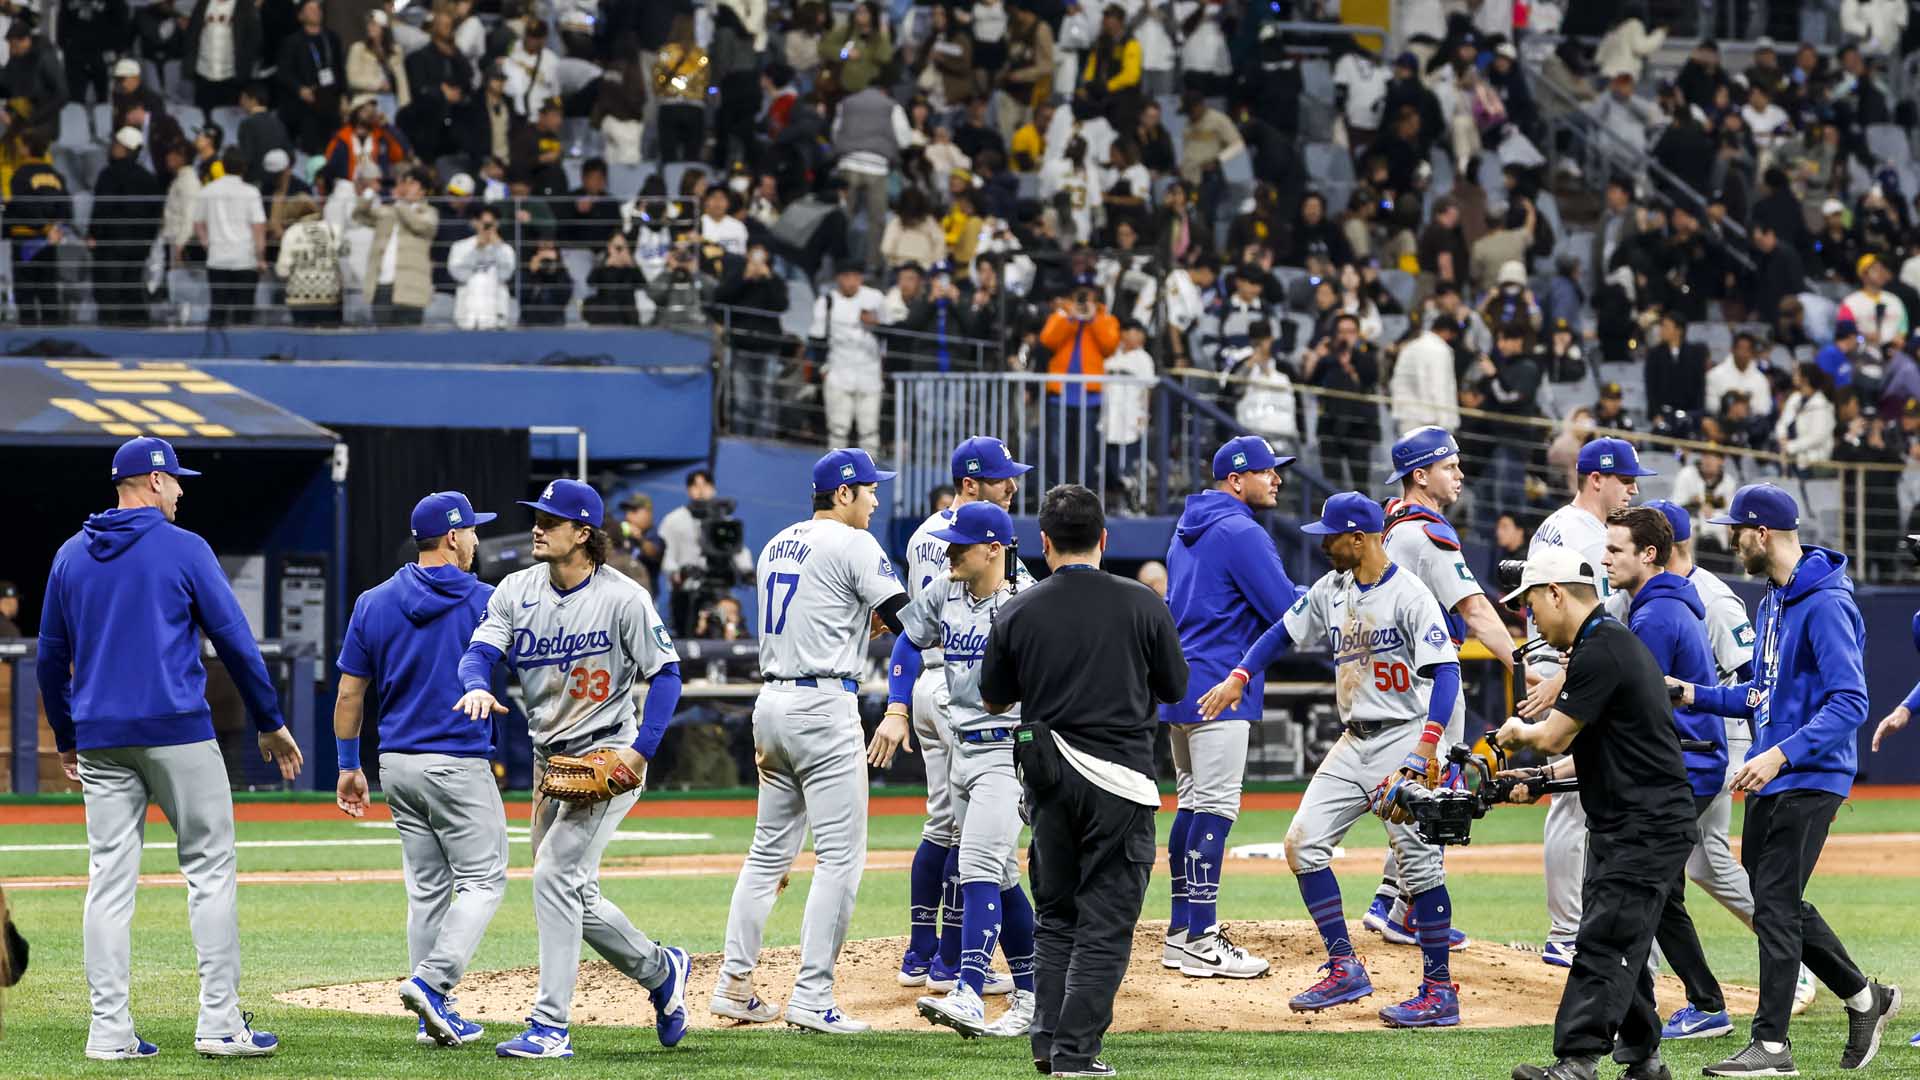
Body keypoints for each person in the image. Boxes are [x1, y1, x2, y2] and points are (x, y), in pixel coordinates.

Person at [39, 437, 298, 1061]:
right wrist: (269, 718)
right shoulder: (184, 548)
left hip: (101, 738)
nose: (181, 490)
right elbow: (234, 639)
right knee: (209, 871)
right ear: (152, 482)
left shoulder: (72, 555)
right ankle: (219, 1024)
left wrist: (68, 737)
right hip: (177, 730)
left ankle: (108, 1032)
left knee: (108, 882)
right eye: (175, 480)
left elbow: (50, 658)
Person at [1197, 492, 1463, 1028]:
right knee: (1302, 844)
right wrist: (1239, 676)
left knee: (1419, 865)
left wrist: (1426, 748)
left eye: (1331, 537)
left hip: (1404, 738)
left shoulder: (1409, 595)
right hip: (1354, 740)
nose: (1323, 545)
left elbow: (1449, 672)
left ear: (1359, 539)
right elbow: (1279, 633)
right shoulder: (1332, 588)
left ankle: (1439, 991)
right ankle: (1345, 965)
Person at [453, 479, 692, 1060]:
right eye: (537, 516)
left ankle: (550, 1026)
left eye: (550, 520)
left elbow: (667, 675)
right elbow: (479, 652)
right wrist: (477, 686)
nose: (537, 526)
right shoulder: (516, 588)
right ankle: (662, 972)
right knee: (574, 895)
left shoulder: (623, 597)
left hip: (608, 753)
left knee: (554, 878)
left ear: (583, 534)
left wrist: (641, 751)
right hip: (548, 762)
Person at [1673, 484, 1902, 1077]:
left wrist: (1781, 755)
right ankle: (1863, 996)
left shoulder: (1825, 603)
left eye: (1737, 531)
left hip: (1811, 774)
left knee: (1772, 903)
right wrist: (1692, 693)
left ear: (1763, 533)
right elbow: (1761, 694)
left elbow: (1851, 701)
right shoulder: (1772, 598)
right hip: (1775, 774)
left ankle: (1771, 1045)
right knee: (1777, 901)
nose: (1732, 540)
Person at [978, 484, 1187, 1077]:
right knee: (1105, 924)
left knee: (1056, 919)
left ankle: (1047, 1045)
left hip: (1046, 780)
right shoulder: (1143, 603)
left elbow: (994, 698)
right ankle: (1076, 1055)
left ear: (1044, 543)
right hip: (1120, 780)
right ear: (1104, 539)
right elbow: (1175, 687)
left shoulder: (1017, 608)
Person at [714, 448, 908, 1034]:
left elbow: (821, 608)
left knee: (768, 852)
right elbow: (911, 624)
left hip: (771, 702)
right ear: (843, 493)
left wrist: (858, 619)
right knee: (840, 859)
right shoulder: (853, 544)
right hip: (823, 705)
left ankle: (733, 984)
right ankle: (813, 995)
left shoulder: (778, 541)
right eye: (870, 490)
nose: (876, 499)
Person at [1495, 546, 1700, 1080]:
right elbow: (1601, 751)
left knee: (1605, 937)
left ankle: (1577, 1063)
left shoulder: (1599, 651)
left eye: (1531, 604)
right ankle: (1645, 1060)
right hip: (1633, 820)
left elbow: (1552, 736)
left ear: (1556, 594)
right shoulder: (1603, 645)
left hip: (1645, 825)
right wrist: (1539, 780)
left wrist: (1519, 735)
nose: (1530, 617)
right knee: (1620, 935)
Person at [333, 492, 504, 1049]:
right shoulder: (486, 599)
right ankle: (433, 984)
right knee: (484, 879)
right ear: (452, 537)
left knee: (428, 890)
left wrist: (346, 765)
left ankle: (434, 1018)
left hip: (397, 765)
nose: (476, 539)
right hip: (456, 761)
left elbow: (349, 694)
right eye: (472, 531)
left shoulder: (373, 601)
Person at [877, 500, 1037, 1038]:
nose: (947, 553)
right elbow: (906, 639)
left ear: (994, 549)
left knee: (976, 866)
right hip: (961, 748)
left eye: (959, 545)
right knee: (1005, 878)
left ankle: (969, 991)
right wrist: (898, 706)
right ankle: (1034, 995)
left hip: (1006, 752)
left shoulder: (1026, 601)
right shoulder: (945, 590)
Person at [1362, 428, 1517, 944]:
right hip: (1427, 678)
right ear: (1421, 476)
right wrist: (1522, 663)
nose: (1460, 474)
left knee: (1414, 789)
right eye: (1450, 466)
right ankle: (1412, 913)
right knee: (1438, 798)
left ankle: (1388, 897)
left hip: (1390, 675)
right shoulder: (1426, 531)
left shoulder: (1390, 523)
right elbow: (1474, 609)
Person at [1158, 436, 1297, 977]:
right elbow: (1287, 612)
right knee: (1215, 807)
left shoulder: (1185, 528)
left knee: (1192, 804)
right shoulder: (1241, 529)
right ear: (1237, 480)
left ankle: (1180, 931)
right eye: (1268, 472)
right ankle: (1202, 936)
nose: (1277, 479)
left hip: (1183, 681)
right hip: (1221, 684)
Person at [1516, 436, 1655, 967]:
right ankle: (1567, 932)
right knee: (1574, 796)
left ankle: (1570, 928)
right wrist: (1564, 675)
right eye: (1625, 479)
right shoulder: (1579, 533)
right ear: (1596, 478)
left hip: (1569, 661)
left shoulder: (1559, 525)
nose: (1633, 488)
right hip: (1572, 662)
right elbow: (1576, 612)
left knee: (1575, 796)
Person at [89, 128, 164, 326]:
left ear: (123, 148)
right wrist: (147, 242)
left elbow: (101, 208)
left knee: (108, 293)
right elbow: (155, 215)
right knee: (132, 289)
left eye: (115, 144)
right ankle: (136, 332)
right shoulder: (148, 178)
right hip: (138, 246)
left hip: (110, 245)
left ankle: (109, 334)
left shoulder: (108, 175)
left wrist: (93, 234)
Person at [810, 264, 887, 449]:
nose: (851, 282)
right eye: (846, 276)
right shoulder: (827, 301)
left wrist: (874, 323)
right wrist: (823, 369)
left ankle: (869, 474)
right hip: (838, 372)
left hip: (870, 372)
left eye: (855, 276)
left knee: (869, 429)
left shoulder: (875, 298)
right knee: (838, 428)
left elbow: (890, 330)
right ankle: (837, 474)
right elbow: (816, 338)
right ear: (838, 278)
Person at [351, 166, 437, 325]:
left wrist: (399, 203)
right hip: (382, 286)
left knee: (409, 341)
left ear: (422, 191)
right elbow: (360, 215)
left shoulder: (428, 212)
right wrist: (370, 191)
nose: (405, 187)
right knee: (382, 340)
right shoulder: (388, 211)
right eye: (404, 182)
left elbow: (419, 226)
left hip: (411, 288)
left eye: (412, 184)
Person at [192, 147, 265, 326]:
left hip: (217, 258)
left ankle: (216, 353)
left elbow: (198, 224)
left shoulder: (208, 191)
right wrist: (260, 257)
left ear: (223, 165)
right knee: (243, 315)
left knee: (218, 312)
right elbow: (258, 227)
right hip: (245, 259)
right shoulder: (251, 193)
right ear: (244, 168)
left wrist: (207, 244)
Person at [448, 205, 517, 330]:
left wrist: (497, 247)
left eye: (490, 224)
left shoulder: (505, 249)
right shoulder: (460, 246)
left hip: (495, 314)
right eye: (484, 223)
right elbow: (458, 274)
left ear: (497, 224)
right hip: (467, 315)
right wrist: (476, 249)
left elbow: (505, 274)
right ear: (475, 223)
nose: (487, 227)